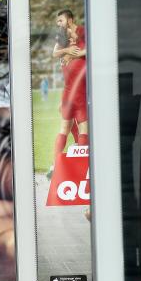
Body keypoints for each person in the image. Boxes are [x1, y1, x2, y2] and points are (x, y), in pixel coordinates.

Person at [52, 9, 88, 167]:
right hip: (74, 92)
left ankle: (61, 164)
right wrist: (66, 51)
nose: (58, 23)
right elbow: (55, 53)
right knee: (80, 128)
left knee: (70, 127)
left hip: (77, 90)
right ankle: (69, 164)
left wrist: (73, 55)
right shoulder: (62, 37)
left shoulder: (83, 31)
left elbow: (91, 48)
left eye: (60, 20)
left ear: (70, 20)